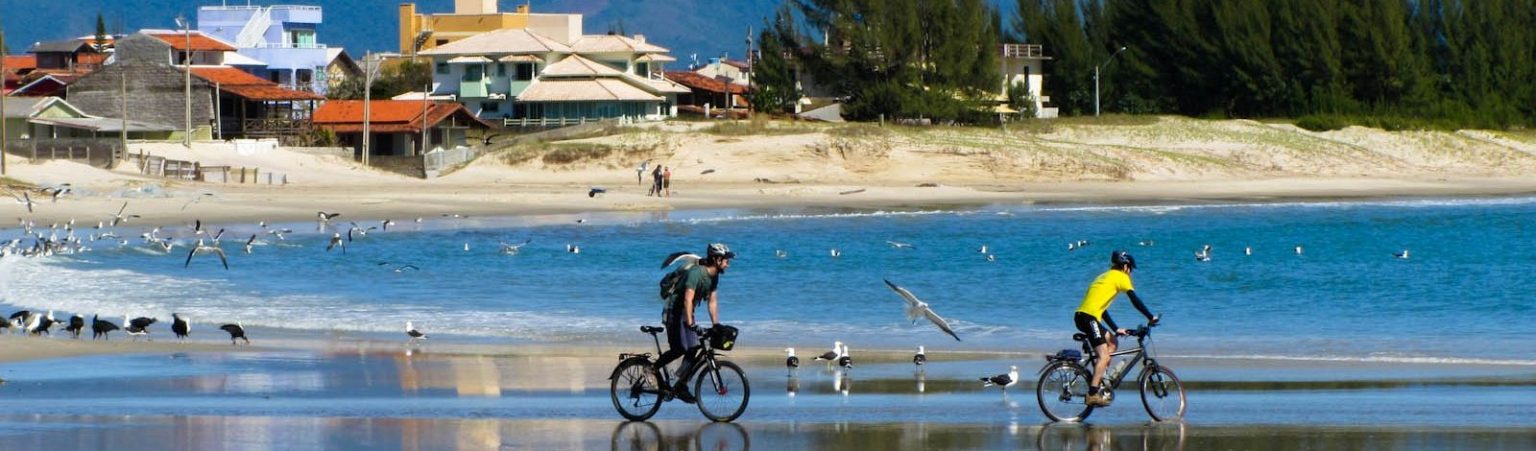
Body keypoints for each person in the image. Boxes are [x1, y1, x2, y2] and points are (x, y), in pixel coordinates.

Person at [1075, 250, 1158, 407]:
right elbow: (1134, 300)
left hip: (1084, 316)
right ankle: (1092, 394)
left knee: (1112, 342)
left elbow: (1101, 307)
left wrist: (1115, 328)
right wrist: (1150, 317)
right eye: (1131, 269)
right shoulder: (1121, 277)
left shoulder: (1103, 276)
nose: (1131, 273)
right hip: (1089, 318)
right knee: (1104, 356)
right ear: (1126, 267)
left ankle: (1101, 379)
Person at [656, 243, 735, 403]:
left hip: (686, 313)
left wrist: (716, 325)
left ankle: (681, 384)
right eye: (726, 260)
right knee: (679, 349)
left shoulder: (714, 277)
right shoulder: (696, 273)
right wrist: (691, 323)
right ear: (717, 259)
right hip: (674, 312)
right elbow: (688, 298)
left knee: (694, 348)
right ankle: (651, 370)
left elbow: (712, 301)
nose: (728, 263)